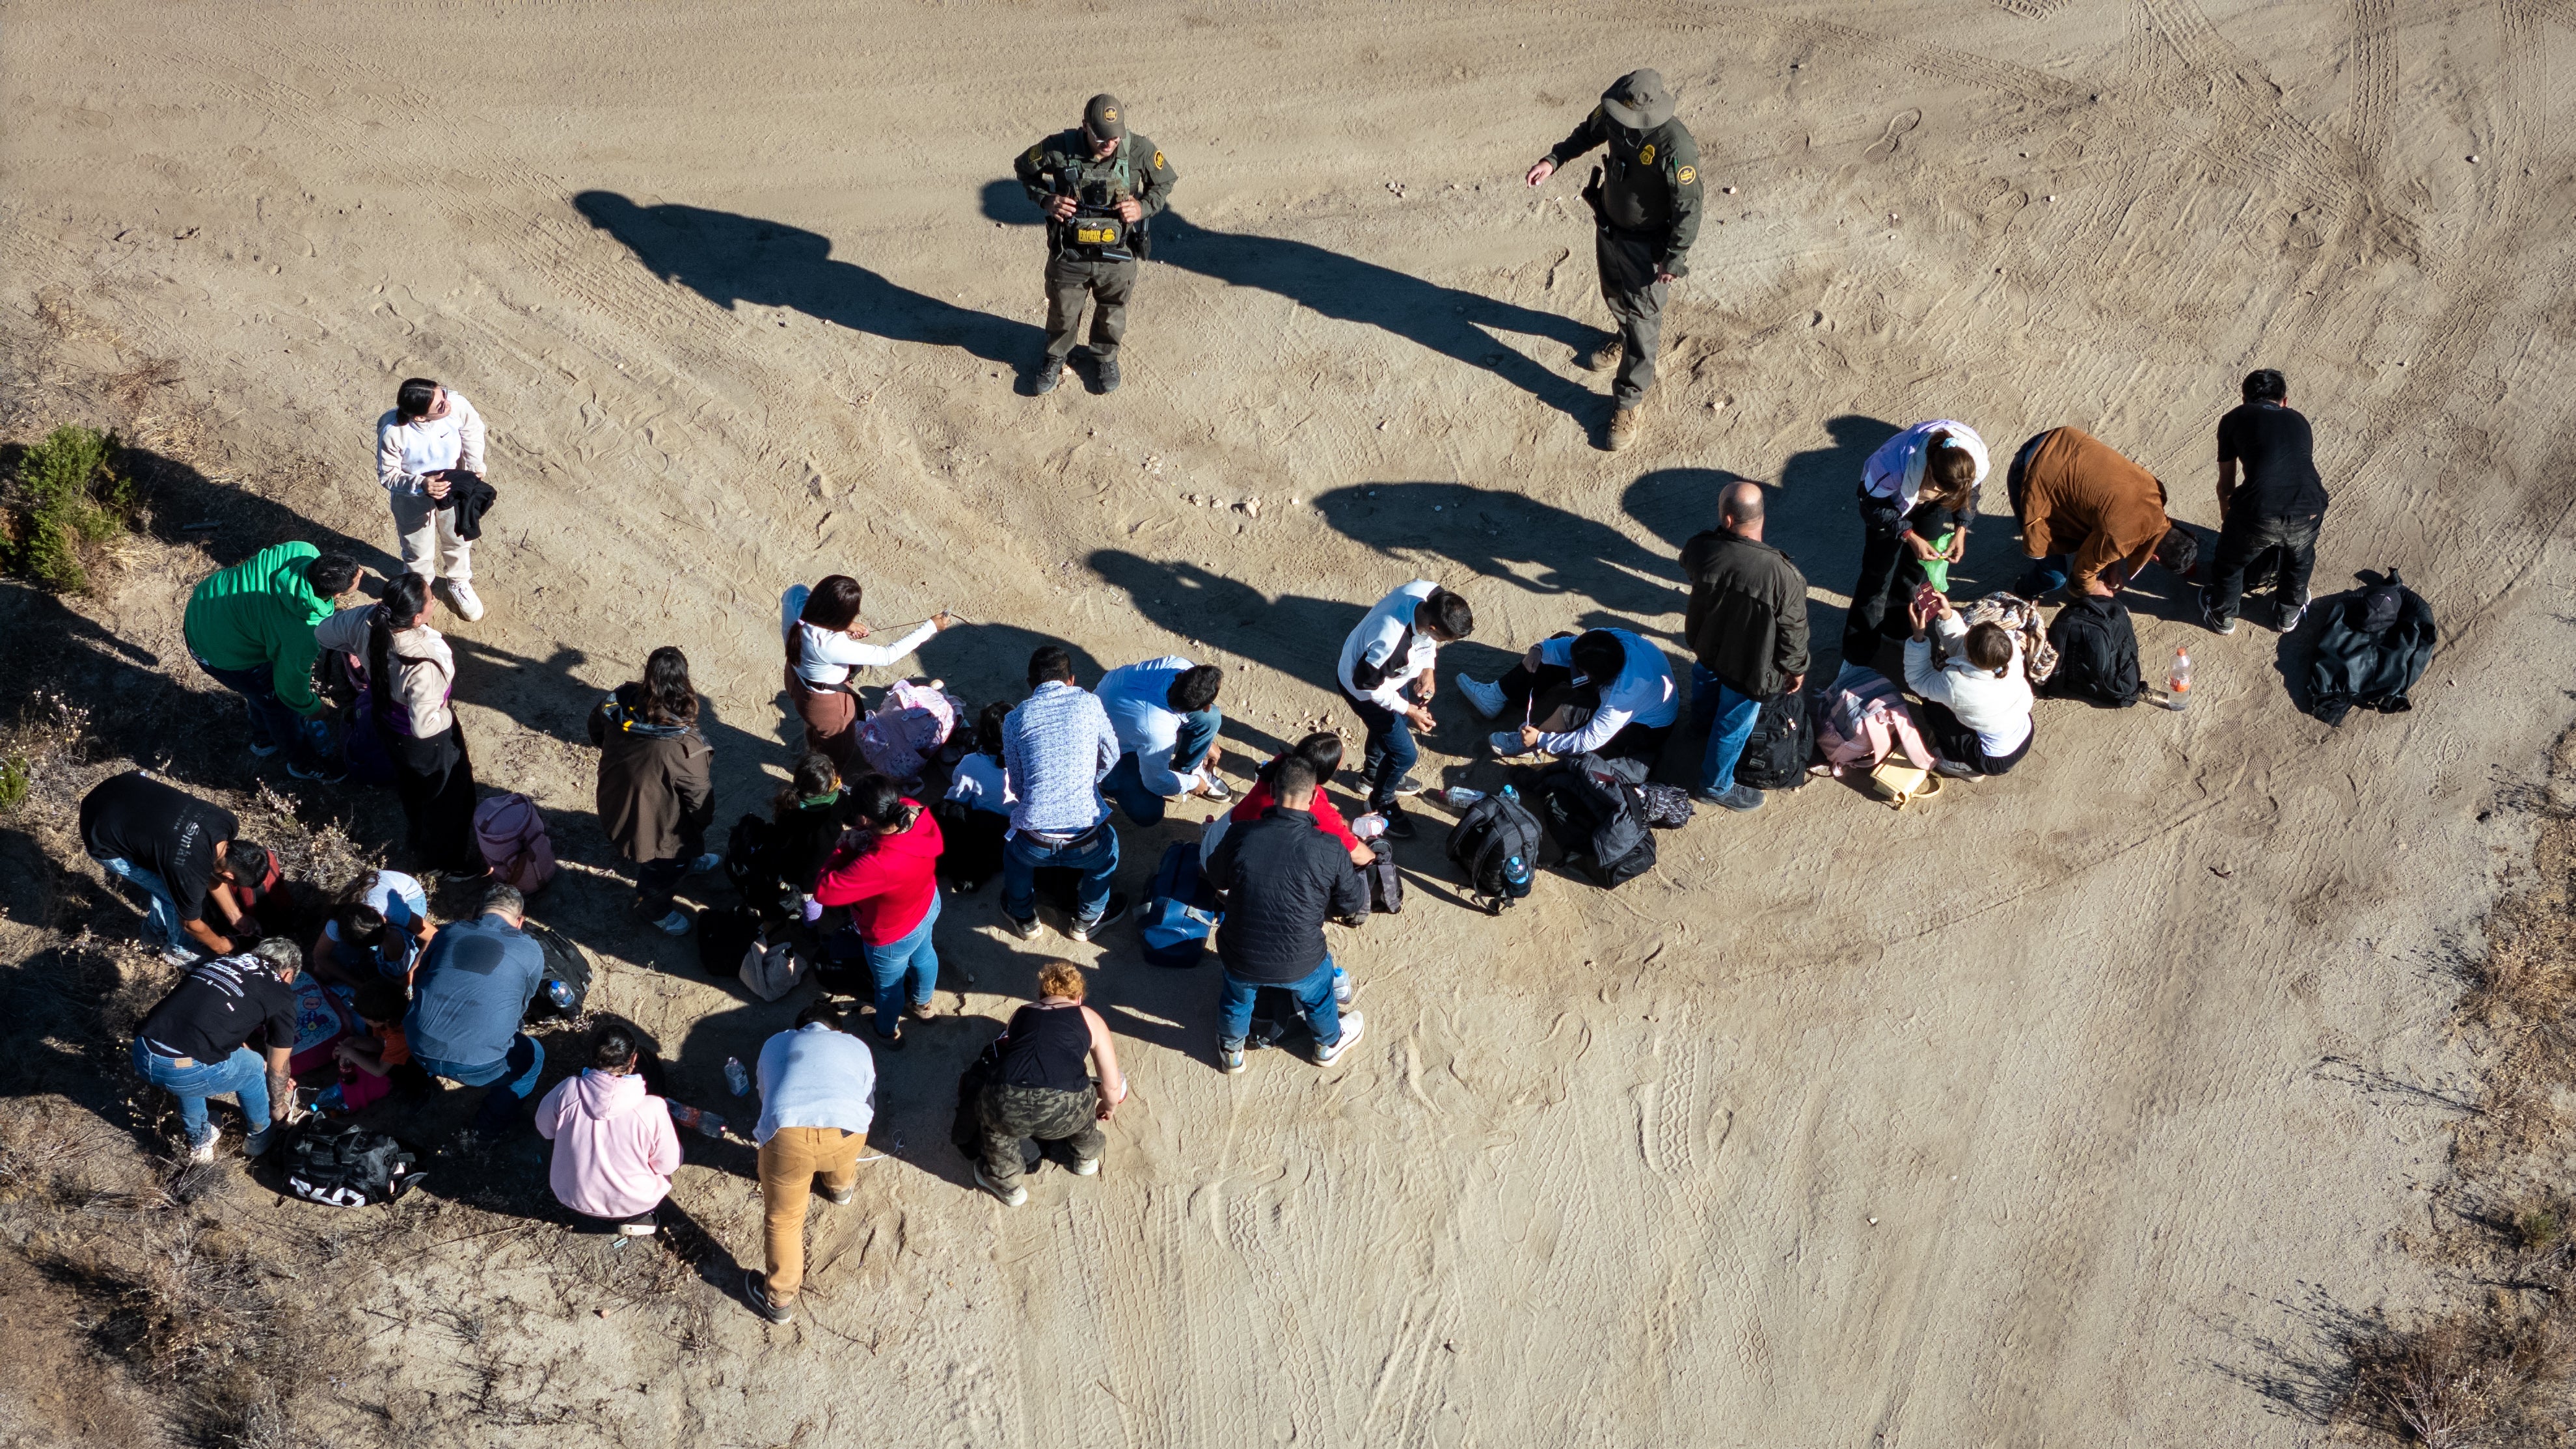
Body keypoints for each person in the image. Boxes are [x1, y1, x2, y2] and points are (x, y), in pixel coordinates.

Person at [1524, 69, 1705, 450]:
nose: (1625, 125)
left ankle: (1629, 400)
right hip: (1610, 228)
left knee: (1644, 322)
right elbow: (1586, 134)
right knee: (1614, 293)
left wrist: (1674, 257)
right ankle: (1623, 336)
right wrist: (1553, 160)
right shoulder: (1614, 113)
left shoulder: (1676, 146)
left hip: (1649, 248)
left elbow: (1689, 206)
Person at [1202, 757, 1368, 1074]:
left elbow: (1216, 877)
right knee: (1319, 996)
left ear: (1274, 790)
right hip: (1302, 960)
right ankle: (1328, 1043)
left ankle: (1231, 1052)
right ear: (1315, 797)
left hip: (1240, 955)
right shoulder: (1331, 847)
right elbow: (1351, 904)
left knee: (1237, 999)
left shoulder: (1241, 834)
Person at [316, 573, 484, 876]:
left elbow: (323, 634)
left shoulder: (368, 618)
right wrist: (446, 715)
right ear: (418, 617)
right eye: (431, 599)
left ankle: (418, 834)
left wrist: (358, 650)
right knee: (449, 797)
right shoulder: (425, 660)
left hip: (385, 720)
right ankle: (443, 863)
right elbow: (424, 726)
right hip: (422, 740)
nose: (434, 600)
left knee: (411, 785)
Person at [1013, 93, 1178, 395]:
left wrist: (1143, 207)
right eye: (1101, 137)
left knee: (1113, 310)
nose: (1108, 144)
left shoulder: (1139, 149)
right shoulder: (1059, 147)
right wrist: (1046, 199)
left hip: (1118, 254)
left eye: (1114, 138)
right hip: (1070, 253)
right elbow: (1024, 169)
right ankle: (1056, 355)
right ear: (1085, 126)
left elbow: (1165, 181)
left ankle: (1104, 357)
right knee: (1063, 310)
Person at [744, 1000, 878, 1325]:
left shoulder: (776, 1042)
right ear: (839, 1031)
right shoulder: (856, 1046)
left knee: (785, 1219)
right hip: (847, 1130)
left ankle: (779, 1300)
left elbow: (765, 1093)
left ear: (798, 1028)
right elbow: (867, 1095)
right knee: (843, 1148)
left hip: (787, 1133)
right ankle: (840, 1188)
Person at [182, 541, 362, 780]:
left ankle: (264, 739)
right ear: (337, 594)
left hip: (205, 608)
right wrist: (314, 708)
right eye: (358, 577)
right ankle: (303, 764)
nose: (362, 573)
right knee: (280, 706)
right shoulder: (303, 631)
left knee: (261, 695)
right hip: (221, 653)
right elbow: (290, 690)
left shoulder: (300, 550)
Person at [1681, 481, 1810, 811]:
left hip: (1709, 644)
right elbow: (1793, 632)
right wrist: (1796, 669)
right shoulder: (1784, 576)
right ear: (1762, 516)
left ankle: (1699, 725)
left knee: (1705, 678)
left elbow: (1689, 562)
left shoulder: (1702, 549)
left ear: (1726, 520)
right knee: (1733, 724)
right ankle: (1715, 786)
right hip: (1752, 665)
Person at [130, 938, 303, 1163]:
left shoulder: (221, 963)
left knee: (193, 1052)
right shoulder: (280, 992)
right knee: (251, 1069)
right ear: (288, 975)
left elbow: (215, 1023)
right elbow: (279, 1069)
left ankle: (200, 1141)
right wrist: (278, 1107)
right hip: (183, 1070)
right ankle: (261, 1137)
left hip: (143, 1051)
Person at [971, 960, 1128, 1207]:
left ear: (1041, 996)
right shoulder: (1089, 1017)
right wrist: (1108, 1108)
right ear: (1078, 999)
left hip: (1007, 1102)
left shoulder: (1021, 1012)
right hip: (1064, 1110)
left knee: (994, 1128)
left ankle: (1008, 1184)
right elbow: (1110, 1084)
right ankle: (1085, 1158)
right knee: (1085, 1099)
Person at [589, 647, 720, 936]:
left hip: (614, 801)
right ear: (684, 683)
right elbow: (700, 802)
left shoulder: (617, 705)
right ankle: (654, 908)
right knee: (663, 868)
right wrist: (697, 828)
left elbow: (595, 732)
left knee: (677, 853)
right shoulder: (685, 747)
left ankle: (689, 859)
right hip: (649, 826)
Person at [1000, 646, 1128, 942]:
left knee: (1014, 858)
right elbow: (1112, 754)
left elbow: (1018, 785)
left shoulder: (1015, 719)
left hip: (1034, 842)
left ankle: (1024, 918)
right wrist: (1089, 781)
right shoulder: (1090, 703)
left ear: (1031, 685)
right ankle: (1088, 920)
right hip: (1088, 840)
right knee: (1109, 852)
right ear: (1071, 679)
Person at [79, 770, 273, 964]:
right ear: (229, 876)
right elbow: (190, 924)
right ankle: (180, 950)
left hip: (122, 786)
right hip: (99, 832)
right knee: (171, 896)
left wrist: (236, 916)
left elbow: (212, 867)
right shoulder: (188, 872)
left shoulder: (226, 822)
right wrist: (222, 946)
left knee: (167, 874)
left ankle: (153, 931)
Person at [811, 774, 945, 1046]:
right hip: (927, 904)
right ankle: (923, 1003)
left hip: (892, 934)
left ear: (862, 819)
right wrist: (866, 836)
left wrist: (846, 848)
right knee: (924, 955)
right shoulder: (911, 809)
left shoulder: (879, 864)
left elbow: (824, 890)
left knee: (889, 987)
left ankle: (886, 1030)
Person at [405, 882, 549, 1136]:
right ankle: (489, 1127)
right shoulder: (531, 950)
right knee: (533, 1057)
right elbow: (521, 1005)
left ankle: (416, 1081)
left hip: (417, 1045)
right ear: (520, 921)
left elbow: (419, 982)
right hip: (479, 1064)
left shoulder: (447, 933)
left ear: (475, 911)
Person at [1337, 581, 1476, 839]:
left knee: (1386, 733)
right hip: (1364, 689)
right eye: (1443, 639)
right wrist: (1409, 709)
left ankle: (1372, 777)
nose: (1440, 643)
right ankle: (1380, 801)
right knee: (1404, 755)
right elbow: (1367, 685)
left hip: (1387, 677)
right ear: (1432, 628)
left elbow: (1426, 641)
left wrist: (1427, 669)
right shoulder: (1392, 643)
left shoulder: (1429, 593)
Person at [1847, 422, 1988, 662]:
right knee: (1876, 579)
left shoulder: (1969, 462)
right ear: (1930, 475)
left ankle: (1897, 629)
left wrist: (1961, 529)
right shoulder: (1890, 468)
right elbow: (1870, 504)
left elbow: (1970, 493)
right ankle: (1857, 656)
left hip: (1930, 498)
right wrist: (1909, 536)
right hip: (1888, 504)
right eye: (1942, 493)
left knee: (1916, 569)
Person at [781, 576, 955, 770]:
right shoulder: (829, 645)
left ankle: (814, 746)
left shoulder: (794, 598)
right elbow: (888, 655)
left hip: (795, 679)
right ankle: (826, 780)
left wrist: (844, 626)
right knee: (836, 752)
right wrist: (930, 627)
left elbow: (811, 609)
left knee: (816, 728)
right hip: (827, 704)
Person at [2204, 368, 2329, 634]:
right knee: (2301, 557)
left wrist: (2231, 526)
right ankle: (2288, 614)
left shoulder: (2233, 419)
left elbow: (2227, 485)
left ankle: (2223, 616)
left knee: (2231, 560)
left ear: (2244, 399)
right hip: (2310, 507)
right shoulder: (2300, 420)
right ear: (2285, 401)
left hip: (2260, 511)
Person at [2007, 426, 2199, 598]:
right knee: (2054, 577)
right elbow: (2082, 572)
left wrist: (2112, 563)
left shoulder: (2156, 491)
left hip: (2059, 439)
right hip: (2029, 473)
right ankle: (2021, 594)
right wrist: (2094, 588)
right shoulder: (2118, 541)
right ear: (2155, 558)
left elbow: (2111, 520)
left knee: (2087, 526)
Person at [534, 1022, 683, 1238]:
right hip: (634, 1203)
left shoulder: (567, 1090)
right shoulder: (653, 1108)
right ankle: (636, 1220)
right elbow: (668, 1164)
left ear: (593, 1057)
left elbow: (544, 1128)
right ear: (633, 1061)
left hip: (571, 1197)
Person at [1458, 628, 1679, 764]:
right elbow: (1571, 645)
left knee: (1575, 710)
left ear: (1595, 677)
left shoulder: (1624, 694)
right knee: (1559, 645)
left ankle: (1532, 741)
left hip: (1644, 731)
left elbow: (1590, 739)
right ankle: (1497, 696)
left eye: (1581, 671)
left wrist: (1543, 740)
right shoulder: (1615, 640)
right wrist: (1540, 649)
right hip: (1619, 685)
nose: (1575, 669)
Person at [376, 377, 490, 621]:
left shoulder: (455, 405)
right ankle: (421, 590)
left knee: (458, 537)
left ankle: (459, 581)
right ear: (419, 417)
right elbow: (388, 475)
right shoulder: (393, 431)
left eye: (443, 395)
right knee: (417, 549)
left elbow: (472, 428)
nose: (447, 405)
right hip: (412, 498)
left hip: (453, 487)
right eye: (440, 406)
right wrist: (421, 485)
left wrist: (473, 466)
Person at [1903, 588, 2035, 778]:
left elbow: (1919, 680)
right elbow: (1963, 647)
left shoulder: (1957, 684)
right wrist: (1948, 616)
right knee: (1950, 700)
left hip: (1994, 760)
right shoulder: (2010, 650)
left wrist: (1918, 638)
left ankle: (1962, 764)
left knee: (1933, 706)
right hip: (2024, 732)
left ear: (1970, 653)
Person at [1096, 656, 1231, 825]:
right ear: (1206, 705)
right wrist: (1193, 783)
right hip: (1106, 747)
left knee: (1210, 720)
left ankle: (1188, 769)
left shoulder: (1176, 665)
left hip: (1117, 706)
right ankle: (1107, 783)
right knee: (1148, 811)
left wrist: (1203, 744)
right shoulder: (1157, 733)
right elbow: (1155, 783)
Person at [740, 752, 853, 921]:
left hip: (794, 867)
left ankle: (808, 923)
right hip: (824, 866)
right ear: (826, 789)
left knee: (808, 897)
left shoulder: (790, 803)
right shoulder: (838, 802)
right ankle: (814, 921)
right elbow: (853, 818)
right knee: (816, 896)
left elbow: (780, 836)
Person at [936, 701, 1014, 893]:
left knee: (945, 811)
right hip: (1020, 833)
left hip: (992, 829)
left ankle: (959, 870)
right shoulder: (1032, 756)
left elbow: (957, 799)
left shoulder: (972, 763)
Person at [311, 868, 435, 984]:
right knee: (321, 972)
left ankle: (396, 961)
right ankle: (377, 958)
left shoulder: (393, 910)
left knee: (394, 942)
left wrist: (410, 975)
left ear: (384, 919)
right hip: (370, 911)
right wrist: (357, 985)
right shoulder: (338, 920)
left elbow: (434, 936)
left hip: (412, 897)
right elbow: (320, 957)